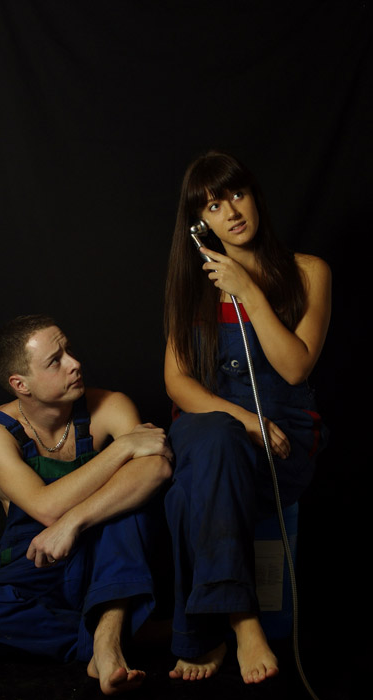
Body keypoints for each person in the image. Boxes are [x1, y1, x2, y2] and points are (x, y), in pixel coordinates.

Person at [163, 150, 331, 684]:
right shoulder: (192, 285)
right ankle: (242, 619)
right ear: (199, 223)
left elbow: (296, 367)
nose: (232, 212)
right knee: (217, 438)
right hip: (218, 426)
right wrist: (246, 421)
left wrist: (249, 292)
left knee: (187, 491)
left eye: (237, 195)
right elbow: (178, 383)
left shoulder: (309, 272)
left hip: (283, 441)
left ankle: (200, 634)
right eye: (213, 206)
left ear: (254, 195)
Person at [0, 314, 173, 695]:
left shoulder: (110, 406)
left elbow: (157, 468)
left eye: (68, 350)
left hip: (106, 559)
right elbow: (45, 507)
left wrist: (74, 522)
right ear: (21, 384)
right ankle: (120, 635)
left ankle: (107, 642)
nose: (74, 363)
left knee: (127, 505)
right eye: (55, 361)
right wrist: (122, 448)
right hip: (37, 566)